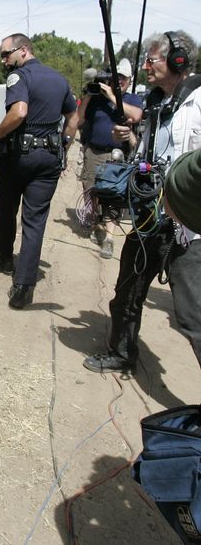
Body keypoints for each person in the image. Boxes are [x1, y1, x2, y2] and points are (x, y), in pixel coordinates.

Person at [84, 31, 201, 374]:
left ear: (177, 61)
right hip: (150, 217)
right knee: (126, 295)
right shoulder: (155, 103)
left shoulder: (199, 102)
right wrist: (131, 139)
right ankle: (121, 353)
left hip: (185, 229)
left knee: (193, 316)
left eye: (152, 60)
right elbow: (151, 154)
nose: (146, 67)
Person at [0, 34, 79, 309]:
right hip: (48, 159)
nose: (3, 60)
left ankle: (5, 257)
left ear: (23, 50)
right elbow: (73, 118)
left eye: (6, 54)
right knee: (35, 220)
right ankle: (24, 286)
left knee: (7, 208)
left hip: (18, 157)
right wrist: (63, 148)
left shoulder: (19, 77)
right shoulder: (60, 79)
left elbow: (19, 113)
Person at [77, 58, 144, 258]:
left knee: (113, 195)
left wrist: (113, 96)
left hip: (116, 156)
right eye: (116, 77)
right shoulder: (97, 98)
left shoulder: (131, 99)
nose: (119, 81)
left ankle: (109, 238)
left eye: (123, 77)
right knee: (90, 191)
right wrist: (89, 95)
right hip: (93, 151)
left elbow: (137, 115)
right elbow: (79, 119)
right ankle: (96, 223)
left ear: (129, 80)